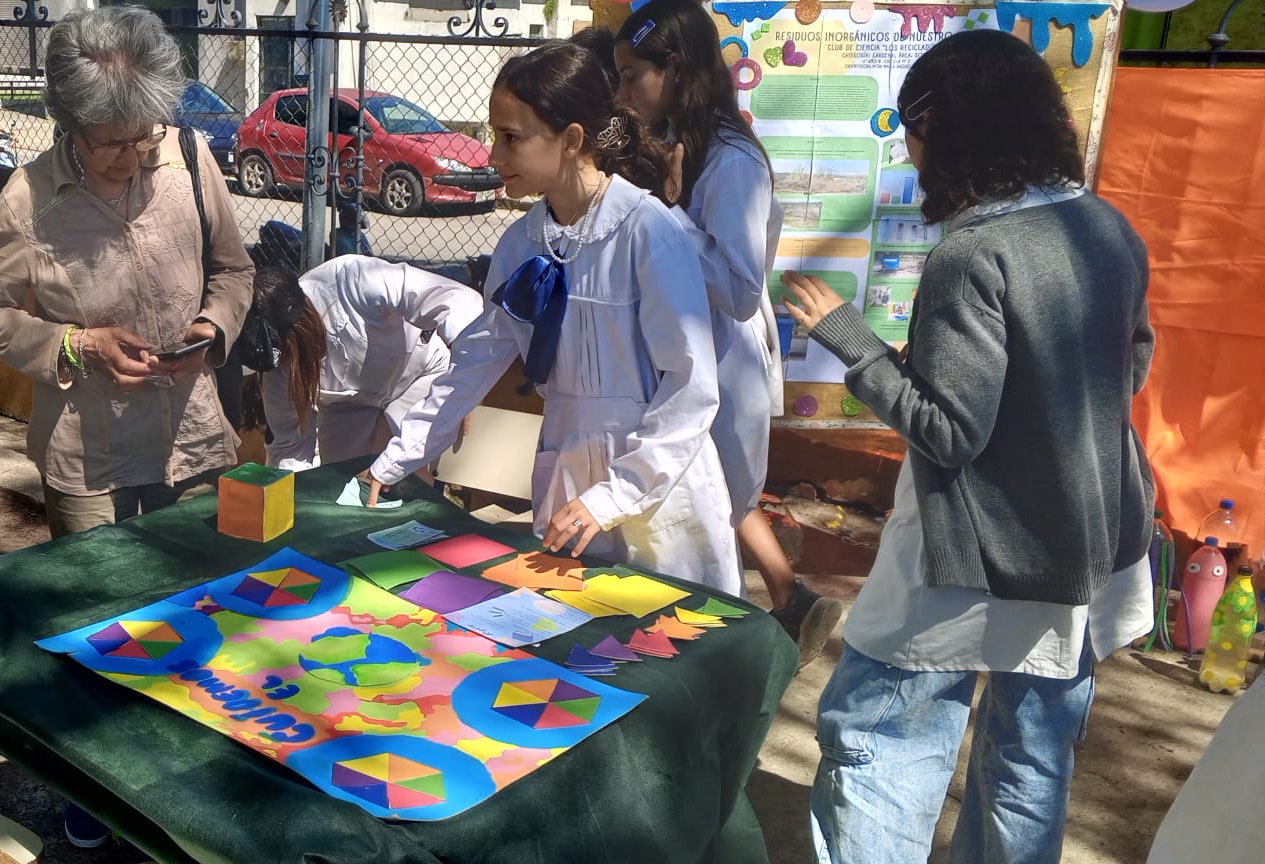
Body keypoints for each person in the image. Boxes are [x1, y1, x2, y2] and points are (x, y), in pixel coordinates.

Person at [780, 30, 1154, 863]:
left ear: (947, 132)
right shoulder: (1106, 227)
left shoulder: (972, 253)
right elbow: (1126, 366)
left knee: (881, 744)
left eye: (911, 133)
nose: (910, 156)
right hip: (1089, 542)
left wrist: (852, 341)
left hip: (971, 561)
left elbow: (950, 432)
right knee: (1030, 766)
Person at [359, 40, 740, 595]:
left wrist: (613, 495)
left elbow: (691, 388)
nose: (493, 156)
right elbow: (473, 363)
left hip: (656, 483)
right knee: (575, 650)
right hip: (568, 476)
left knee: (663, 640)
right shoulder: (523, 243)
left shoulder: (647, 232)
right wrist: (395, 459)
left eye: (511, 138)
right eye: (494, 135)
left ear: (572, 140)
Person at [600, 1, 842, 662]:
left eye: (630, 76)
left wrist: (667, 213)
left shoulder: (731, 162)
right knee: (703, 508)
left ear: (672, 67)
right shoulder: (677, 143)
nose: (622, 93)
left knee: (709, 510)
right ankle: (786, 604)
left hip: (724, 368)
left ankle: (733, 654)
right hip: (683, 361)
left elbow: (736, 290)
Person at [0, 6, 254, 543]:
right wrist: (78, 344)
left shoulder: (189, 158)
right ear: (70, 122)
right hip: (88, 455)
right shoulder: (30, 197)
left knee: (195, 595)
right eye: (109, 144)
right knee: (98, 610)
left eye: (143, 135)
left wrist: (212, 326)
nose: (132, 157)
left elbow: (234, 270)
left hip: (190, 441)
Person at [249, 256, 485, 471]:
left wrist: (466, 383)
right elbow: (290, 446)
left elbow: (455, 298)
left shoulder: (354, 279)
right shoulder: (277, 366)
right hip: (346, 405)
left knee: (404, 474)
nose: (288, 365)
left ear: (302, 325)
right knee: (338, 482)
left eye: (292, 351)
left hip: (419, 375)